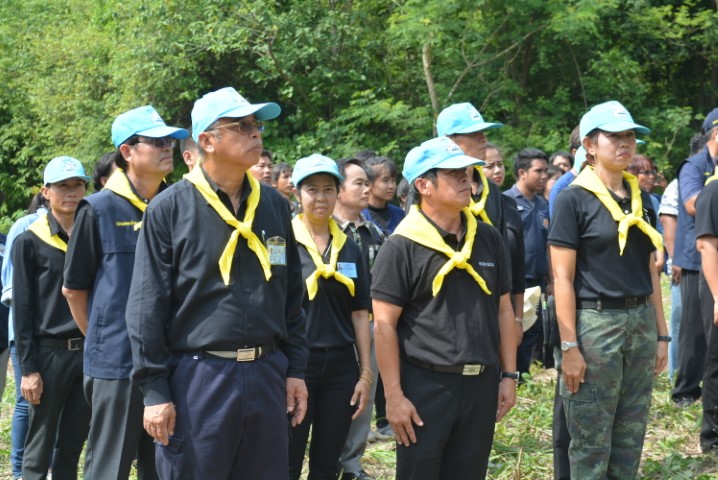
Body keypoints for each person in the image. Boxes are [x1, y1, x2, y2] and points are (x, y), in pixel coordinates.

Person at [125, 87, 308, 479]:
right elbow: (146, 305)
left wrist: (295, 368)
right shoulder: (170, 208)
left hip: (267, 371)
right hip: (200, 376)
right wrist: (154, 391)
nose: (255, 133)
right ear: (207, 141)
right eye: (241, 126)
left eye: (256, 125)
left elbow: (291, 295)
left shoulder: (274, 206)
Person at [372, 136, 517, 480]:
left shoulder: (487, 237)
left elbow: (503, 310)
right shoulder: (401, 246)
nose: (467, 179)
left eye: (467, 172)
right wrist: (394, 397)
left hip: (481, 384)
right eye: (454, 174)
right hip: (426, 386)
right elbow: (383, 325)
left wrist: (509, 376)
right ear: (424, 185)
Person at [62, 105, 188, 480]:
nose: (167, 148)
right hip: (118, 364)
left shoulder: (179, 205)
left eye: (170, 142)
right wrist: (102, 339)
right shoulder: (98, 209)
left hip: (174, 358)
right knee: (110, 464)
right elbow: (73, 290)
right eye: (157, 142)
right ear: (128, 151)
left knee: (167, 463)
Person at [549, 100, 668, 479]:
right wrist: (569, 346)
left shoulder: (642, 200)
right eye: (614, 136)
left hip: (640, 321)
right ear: (589, 144)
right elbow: (562, 278)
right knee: (590, 439)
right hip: (595, 324)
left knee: (630, 435)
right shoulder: (573, 199)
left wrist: (662, 334)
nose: (625, 143)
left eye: (630, 136)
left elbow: (649, 270)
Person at [287, 154, 371, 480]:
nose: (320, 198)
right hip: (296, 365)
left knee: (327, 463)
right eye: (312, 189)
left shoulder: (350, 246)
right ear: (297, 194)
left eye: (328, 189)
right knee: (287, 458)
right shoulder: (283, 242)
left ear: (338, 193)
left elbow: (360, 313)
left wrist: (365, 373)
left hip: (340, 367)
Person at [13, 156, 92, 480]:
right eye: (62, 186)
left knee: (73, 442)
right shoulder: (29, 241)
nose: (71, 192)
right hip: (50, 354)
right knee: (40, 441)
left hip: (87, 351)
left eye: (77, 185)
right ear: (46, 192)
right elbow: (23, 310)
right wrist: (28, 369)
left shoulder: (93, 235)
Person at [334, 158, 385, 480]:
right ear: (338, 190)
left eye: (368, 183)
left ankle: (351, 463)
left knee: (364, 392)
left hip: (369, 322)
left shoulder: (373, 231)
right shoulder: (321, 230)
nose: (367, 189)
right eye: (359, 183)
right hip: (332, 326)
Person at [671, 107, 718, 411]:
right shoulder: (695, 165)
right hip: (694, 258)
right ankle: (685, 391)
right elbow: (691, 204)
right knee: (694, 331)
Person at [2, 192, 49, 480]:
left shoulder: (77, 225)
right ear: (46, 193)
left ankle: (46, 466)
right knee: (25, 400)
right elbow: (11, 286)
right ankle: (19, 470)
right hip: (24, 332)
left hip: (56, 335)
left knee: (52, 401)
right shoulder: (25, 226)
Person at [504, 148, 550, 376]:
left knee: (532, 331)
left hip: (538, 281)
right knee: (511, 329)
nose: (544, 176)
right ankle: (508, 376)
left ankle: (522, 377)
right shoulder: (506, 202)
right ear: (522, 172)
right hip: (514, 283)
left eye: (546, 171)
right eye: (538, 171)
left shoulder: (543, 205)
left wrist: (551, 279)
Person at [696, 172, 718, 456]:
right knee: (717, 361)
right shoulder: (713, 191)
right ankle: (712, 437)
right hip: (717, 285)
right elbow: (706, 245)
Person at [361, 155, 405, 236]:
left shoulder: (400, 214)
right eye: (385, 180)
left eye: (393, 180)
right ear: (369, 183)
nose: (391, 186)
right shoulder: (360, 217)